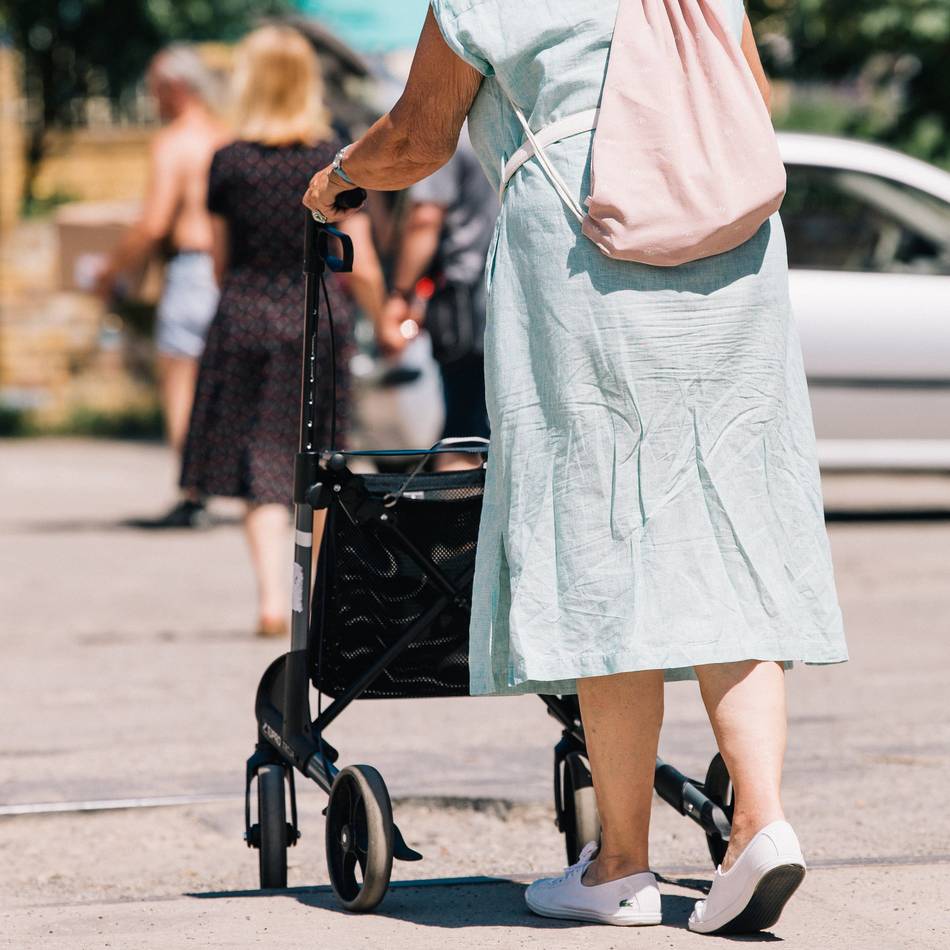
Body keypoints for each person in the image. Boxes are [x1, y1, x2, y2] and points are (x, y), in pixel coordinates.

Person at [303, 0, 848, 935]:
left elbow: (417, 137)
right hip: (731, 257)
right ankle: (760, 820)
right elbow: (746, 99)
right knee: (733, 529)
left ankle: (622, 868)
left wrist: (337, 178)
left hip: (587, 251)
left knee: (603, 535)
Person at [181, 24, 385, 638]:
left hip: (245, 313)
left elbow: (218, 261)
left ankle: (273, 598)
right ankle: (316, 598)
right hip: (316, 317)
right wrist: (388, 320)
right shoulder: (334, 158)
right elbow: (363, 260)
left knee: (257, 460)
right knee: (319, 458)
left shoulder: (228, 161)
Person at [96, 45, 230, 528]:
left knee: (181, 384)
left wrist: (112, 272)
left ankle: (193, 494)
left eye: (154, 88)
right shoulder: (228, 137)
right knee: (226, 386)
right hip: (231, 272)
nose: (151, 99)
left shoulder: (174, 143)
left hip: (192, 270)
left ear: (175, 87)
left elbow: (153, 223)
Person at [380, 124, 497, 470]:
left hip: (467, 302)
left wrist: (400, 293)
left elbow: (425, 219)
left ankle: (459, 522)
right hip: (521, 294)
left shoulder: (450, 137)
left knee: (461, 431)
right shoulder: (517, 123)